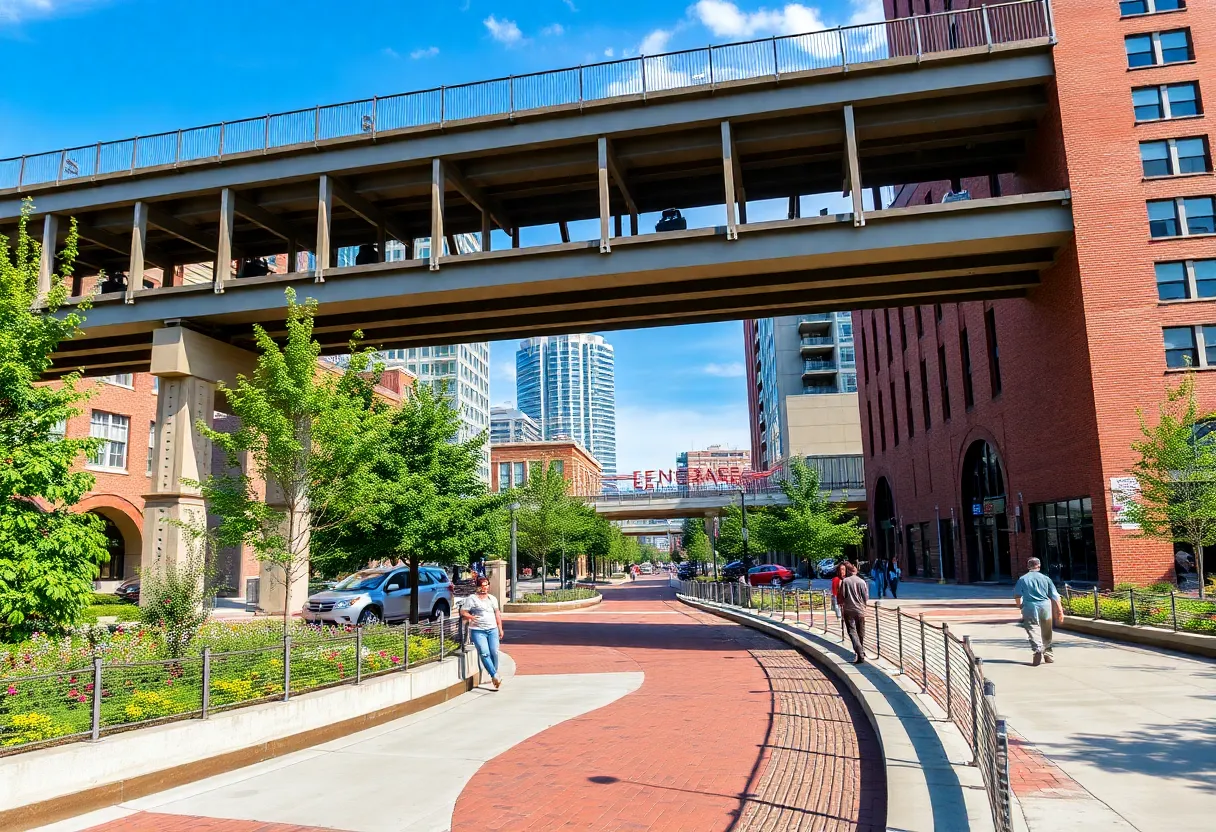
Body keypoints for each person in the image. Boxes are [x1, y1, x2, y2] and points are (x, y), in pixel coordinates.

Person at [1013, 557, 1063, 666]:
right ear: (1039, 566)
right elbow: (1055, 595)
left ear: (1028, 566)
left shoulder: (1023, 579)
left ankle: (1037, 649)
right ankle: (1048, 654)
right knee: (1046, 629)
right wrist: (1060, 611)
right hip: (1045, 605)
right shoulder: (1046, 578)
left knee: (1032, 628)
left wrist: (1020, 605)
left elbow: (1017, 595)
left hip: (1030, 606)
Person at [458, 577, 505, 689]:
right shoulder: (472, 599)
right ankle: (495, 675)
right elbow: (463, 612)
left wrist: (500, 628)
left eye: (486, 585)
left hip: (492, 629)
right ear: (477, 586)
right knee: (484, 653)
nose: (485, 588)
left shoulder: (492, 599)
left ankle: (494, 674)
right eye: (482, 585)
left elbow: (497, 614)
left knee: (494, 652)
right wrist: (471, 617)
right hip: (478, 630)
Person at [838, 562, 870, 664]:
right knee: (861, 632)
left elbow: (842, 595)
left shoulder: (845, 581)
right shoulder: (862, 581)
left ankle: (859, 651)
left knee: (852, 631)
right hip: (860, 610)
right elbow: (866, 597)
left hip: (848, 610)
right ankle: (861, 651)